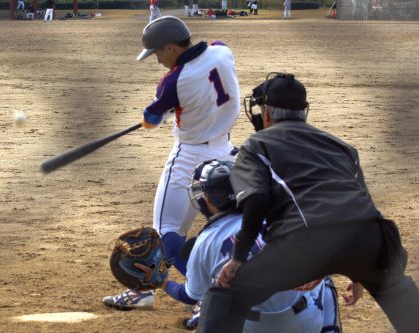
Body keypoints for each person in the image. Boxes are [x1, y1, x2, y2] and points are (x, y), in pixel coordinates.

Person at [195, 73, 419, 333]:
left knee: (227, 293)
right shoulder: (342, 146)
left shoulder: (257, 145)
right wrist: (361, 273)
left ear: (266, 112)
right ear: (304, 112)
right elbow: (363, 202)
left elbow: (256, 200)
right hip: (371, 238)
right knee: (397, 289)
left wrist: (238, 258)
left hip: (307, 239)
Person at [103, 16, 240, 310]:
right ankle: (148, 291)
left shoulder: (173, 80)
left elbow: (152, 119)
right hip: (227, 155)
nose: (157, 60)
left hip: (189, 158)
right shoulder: (221, 49)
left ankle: (199, 295)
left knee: (165, 233)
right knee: (223, 226)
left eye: (157, 53)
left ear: (170, 48)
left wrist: (152, 114)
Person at [132, 159, 342, 332]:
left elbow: (189, 295)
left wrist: (162, 282)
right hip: (304, 323)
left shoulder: (204, 243)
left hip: (252, 326)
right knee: (323, 279)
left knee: (213, 296)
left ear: (208, 198)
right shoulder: (277, 214)